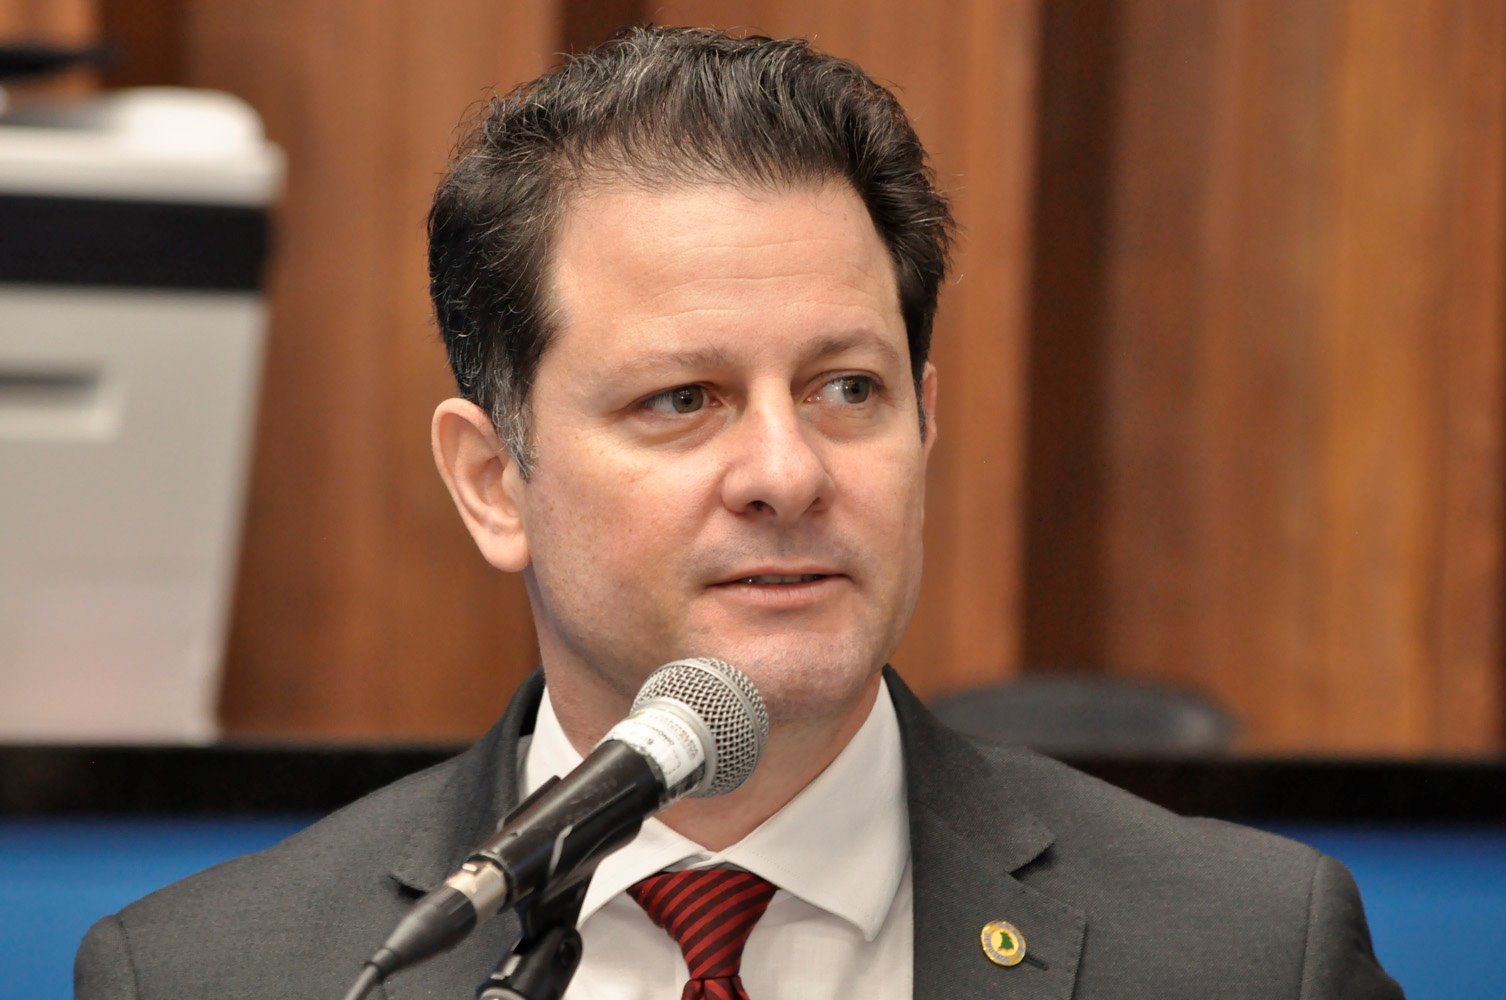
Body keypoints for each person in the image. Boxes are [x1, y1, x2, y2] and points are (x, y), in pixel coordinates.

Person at [76, 26, 1402, 999]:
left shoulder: (1245, 953)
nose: (788, 471)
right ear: (493, 481)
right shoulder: (219, 975)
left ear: (925, 424)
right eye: (682, 399)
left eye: (846, 388)